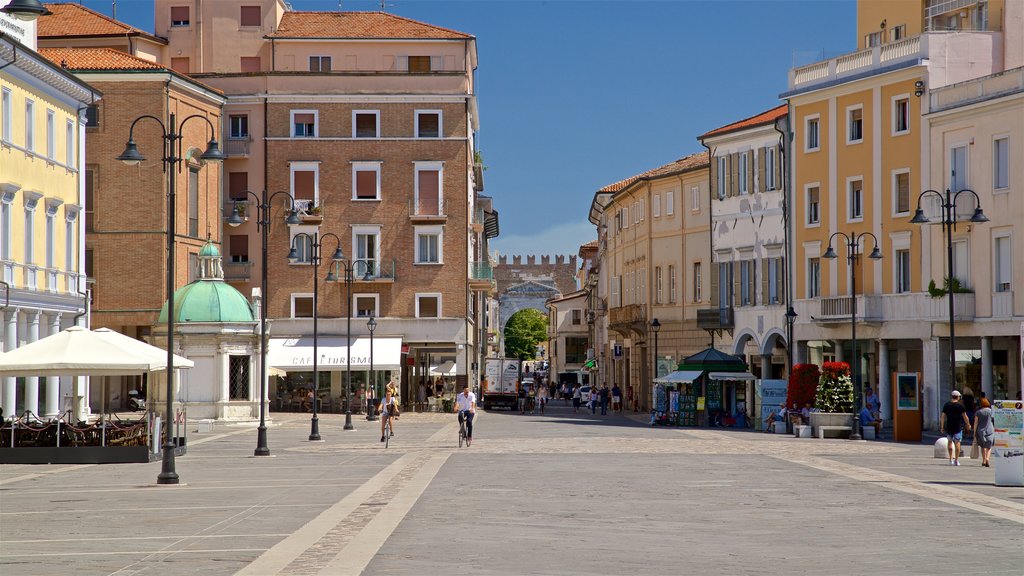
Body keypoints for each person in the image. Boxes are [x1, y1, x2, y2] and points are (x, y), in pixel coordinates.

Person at [940, 390, 971, 466]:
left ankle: (950, 459)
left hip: (949, 426)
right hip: (958, 426)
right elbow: (965, 416)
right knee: (957, 443)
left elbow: (943, 416)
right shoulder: (961, 406)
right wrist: (968, 424)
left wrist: (942, 426)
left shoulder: (947, 405)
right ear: (958, 397)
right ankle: (956, 460)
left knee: (950, 442)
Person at [972, 398, 995, 467]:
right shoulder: (991, 411)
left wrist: (974, 431)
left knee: (983, 445)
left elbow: (976, 422)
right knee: (989, 446)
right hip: (990, 429)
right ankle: (988, 458)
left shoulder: (978, 412)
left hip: (980, 430)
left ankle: (984, 460)